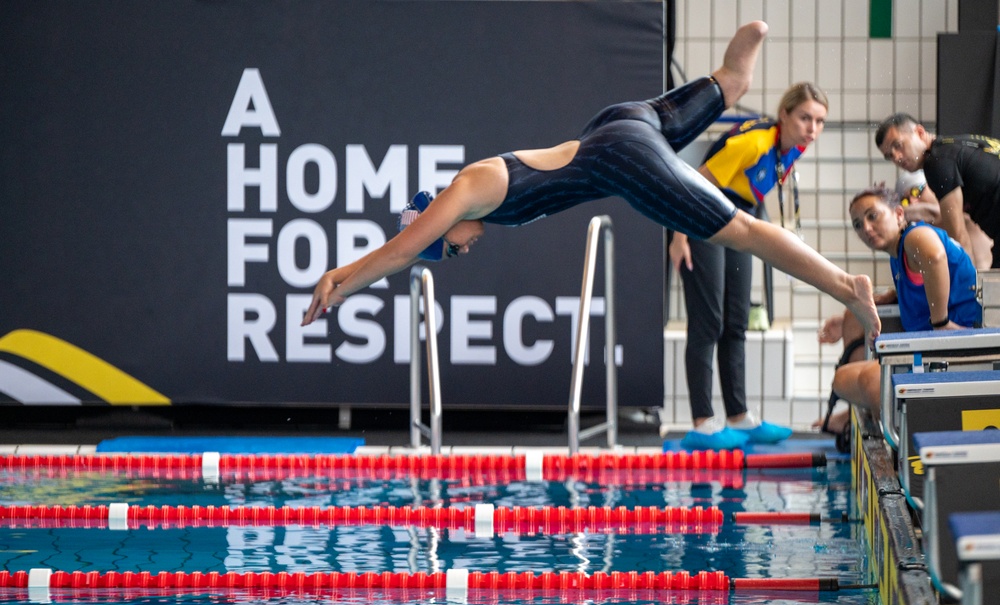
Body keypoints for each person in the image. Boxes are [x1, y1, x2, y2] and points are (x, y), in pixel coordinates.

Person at [302, 22, 882, 388]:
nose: (462, 251)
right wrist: (345, 275)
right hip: (619, 126)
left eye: (450, 252)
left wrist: (342, 279)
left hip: (622, 160)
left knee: (745, 233)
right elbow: (411, 247)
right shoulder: (478, 188)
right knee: (725, 83)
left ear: (442, 229)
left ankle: (843, 285)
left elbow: (402, 251)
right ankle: (734, 75)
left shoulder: (467, 191)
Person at [668, 82, 828, 450]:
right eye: (805, 118)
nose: (812, 129)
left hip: (740, 217)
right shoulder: (753, 142)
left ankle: (739, 417)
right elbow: (693, 185)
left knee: (736, 321)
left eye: (819, 121)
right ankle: (703, 423)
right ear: (784, 114)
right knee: (708, 322)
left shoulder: (795, 146)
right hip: (702, 215)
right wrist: (678, 238)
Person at [824, 184, 979, 425]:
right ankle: (879, 423)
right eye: (857, 224)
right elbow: (923, 276)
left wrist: (942, 324)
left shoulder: (915, 236)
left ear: (898, 214)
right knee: (843, 378)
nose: (865, 228)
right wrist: (893, 294)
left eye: (872, 216)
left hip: (958, 355)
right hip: (932, 357)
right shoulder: (900, 256)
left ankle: (898, 440)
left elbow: (934, 257)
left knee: (871, 381)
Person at [875, 113, 1000, 268]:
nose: (897, 157)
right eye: (889, 156)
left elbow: (959, 236)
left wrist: (969, 287)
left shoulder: (937, 163)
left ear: (920, 133)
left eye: (898, 145)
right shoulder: (956, 146)